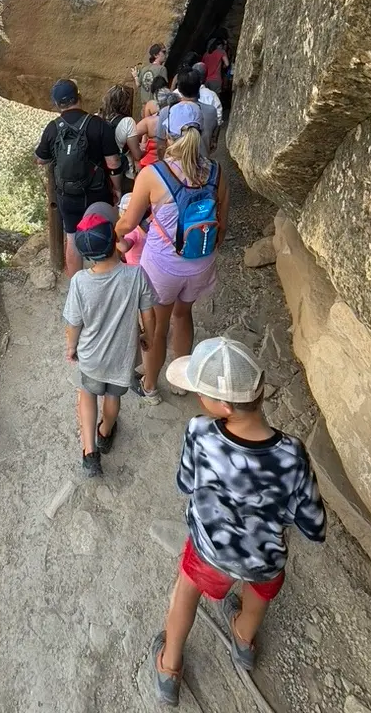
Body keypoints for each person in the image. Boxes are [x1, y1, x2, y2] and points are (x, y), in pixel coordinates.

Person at [150, 338, 327, 704]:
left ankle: (169, 666)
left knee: (184, 595)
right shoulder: (292, 453)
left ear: (224, 405)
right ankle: (243, 643)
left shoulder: (200, 432)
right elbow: (312, 524)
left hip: (210, 551)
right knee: (257, 594)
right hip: (263, 558)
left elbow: (185, 482)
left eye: (201, 392)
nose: (198, 399)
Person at [116, 107, 229, 403]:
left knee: (156, 325)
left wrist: (112, 234)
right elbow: (223, 227)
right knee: (184, 314)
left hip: (163, 266)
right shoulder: (216, 173)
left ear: (166, 134)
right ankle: (182, 381)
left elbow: (129, 223)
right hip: (200, 262)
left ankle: (150, 387)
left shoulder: (153, 174)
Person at [63, 204, 157, 477]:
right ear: (115, 241)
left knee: (87, 394)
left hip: (91, 357)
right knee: (113, 398)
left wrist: (71, 348)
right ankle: (105, 432)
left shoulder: (80, 282)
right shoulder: (135, 274)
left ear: (86, 254)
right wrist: (146, 337)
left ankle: (90, 453)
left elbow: (73, 323)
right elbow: (149, 315)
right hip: (123, 356)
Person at [36, 79, 123, 278]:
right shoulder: (99, 125)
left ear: (57, 105)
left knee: (73, 238)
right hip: (97, 192)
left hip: (68, 195)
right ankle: (110, 277)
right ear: (79, 97)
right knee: (107, 231)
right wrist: (117, 188)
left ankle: (76, 283)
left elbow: (40, 159)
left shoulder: (52, 128)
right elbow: (113, 163)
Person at [100, 85, 142, 193]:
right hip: (123, 172)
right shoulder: (127, 122)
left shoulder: (99, 118)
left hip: (102, 171)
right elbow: (137, 154)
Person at [170, 69, 218, 156]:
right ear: (200, 85)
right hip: (202, 163)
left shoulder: (169, 111)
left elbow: (161, 145)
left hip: (175, 165)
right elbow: (213, 142)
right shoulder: (211, 111)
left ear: (179, 89)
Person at [116, 193, 148, 266]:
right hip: (146, 264)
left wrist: (116, 234)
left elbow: (124, 247)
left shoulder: (133, 230)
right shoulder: (145, 226)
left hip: (135, 266)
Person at [133, 44, 168, 109]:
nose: (165, 54)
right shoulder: (162, 69)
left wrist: (135, 76)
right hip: (155, 107)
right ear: (156, 55)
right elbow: (164, 90)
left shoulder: (144, 69)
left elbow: (138, 84)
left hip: (144, 107)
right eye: (163, 52)